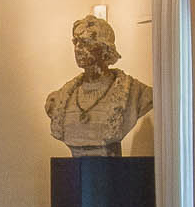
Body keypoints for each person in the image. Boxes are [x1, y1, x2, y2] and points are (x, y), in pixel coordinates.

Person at [43, 15, 153, 157]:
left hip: (110, 167)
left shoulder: (136, 93)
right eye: (76, 42)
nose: (78, 49)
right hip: (75, 168)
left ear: (104, 48)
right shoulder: (59, 100)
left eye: (85, 42)